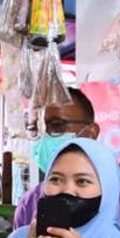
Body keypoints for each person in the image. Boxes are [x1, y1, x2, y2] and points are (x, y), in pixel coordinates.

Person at [13, 87, 99, 230]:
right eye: (36, 128)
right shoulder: (29, 204)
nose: (45, 136)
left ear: (90, 133)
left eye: (57, 125)